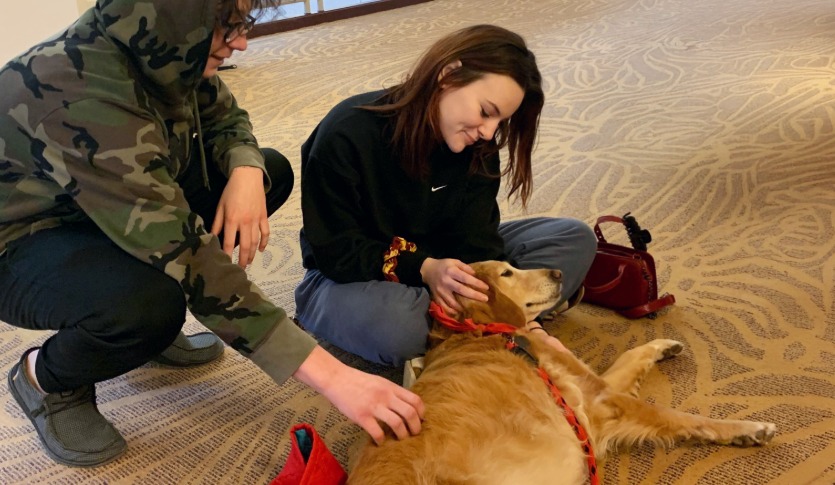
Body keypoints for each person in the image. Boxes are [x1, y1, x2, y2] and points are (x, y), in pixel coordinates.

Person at [0, 0, 423, 468]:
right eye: (229, 26)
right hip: (22, 239)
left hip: (103, 208)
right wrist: (336, 379)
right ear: (178, 15)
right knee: (150, 305)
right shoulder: (78, 94)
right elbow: (185, 251)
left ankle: (145, 331)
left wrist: (244, 169)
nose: (241, 41)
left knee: (268, 174)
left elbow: (225, 117)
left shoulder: (160, 49)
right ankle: (45, 379)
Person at [295, 24, 598, 368]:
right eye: (486, 111)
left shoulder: (478, 143)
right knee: (399, 327)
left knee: (574, 238)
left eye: (500, 122)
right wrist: (424, 268)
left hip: (450, 269)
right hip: (353, 275)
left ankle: (478, 321)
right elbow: (337, 251)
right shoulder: (345, 133)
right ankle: (480, 319)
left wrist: (524, 323)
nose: (488, 131)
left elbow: (478, 244)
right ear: (449, 75)